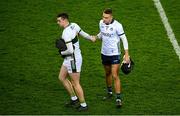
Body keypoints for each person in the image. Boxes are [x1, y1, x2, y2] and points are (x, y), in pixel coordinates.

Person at [56, 13, 95, 111]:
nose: (58, 23)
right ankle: (74, 99)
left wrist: (61, 52)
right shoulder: (74, 25)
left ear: (64, 20)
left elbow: (70, 50)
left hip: (73, 60)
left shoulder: (66, 33)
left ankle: (83, 104)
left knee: (75, 83)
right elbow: (83, 33)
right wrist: (91, 38)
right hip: (70, 59)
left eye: (59, 21)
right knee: (61, 77)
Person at [96, 8, 130, 108]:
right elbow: (102, 33)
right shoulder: (101, 23)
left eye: (106, 17)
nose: (104, 19)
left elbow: (124, 39)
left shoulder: (118, 26)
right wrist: (96, 37)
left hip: (115, 53)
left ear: (111, 17)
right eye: (103, 17)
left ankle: (118, 98)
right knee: (107, 73)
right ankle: (110, 92)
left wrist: (126, 53)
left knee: (115, 75)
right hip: (104, 53)